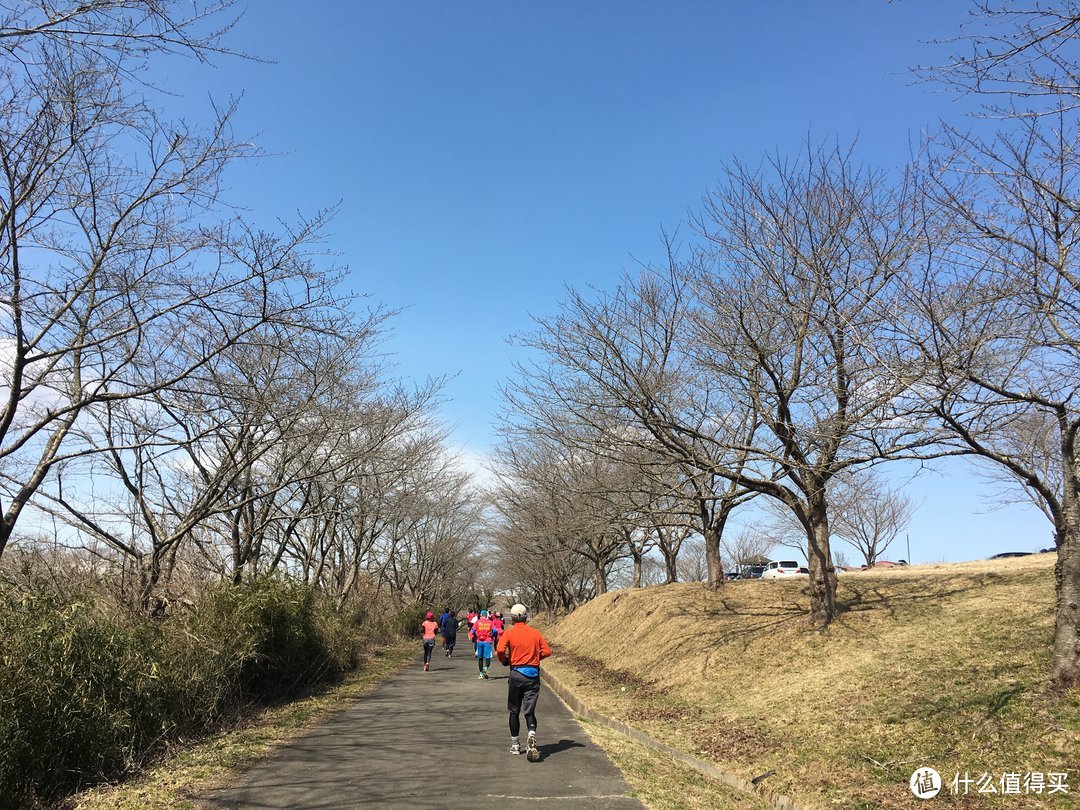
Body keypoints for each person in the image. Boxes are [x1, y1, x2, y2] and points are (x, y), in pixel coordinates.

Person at [496, 603, 551, 760]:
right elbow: (547, 651)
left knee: (514, 710)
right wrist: (535, 658)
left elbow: (500, 650)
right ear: (526, 617)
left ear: (512, 618)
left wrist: (505, 661)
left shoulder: (509, 633)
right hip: (533, 675)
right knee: (529, 710)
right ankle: (531, 734)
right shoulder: (535, 633)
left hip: (516, 674)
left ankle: (515, 745)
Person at [472, 609, 495, 679]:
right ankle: (486, 668)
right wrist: (492, 635)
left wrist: (476, 636)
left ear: (481, 615)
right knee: (488, 657)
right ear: (486, 615)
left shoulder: (477, 622)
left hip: (479, 641)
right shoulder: (490, 622)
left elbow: (473, 631)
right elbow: (495, 630)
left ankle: (481, 674)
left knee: (480, 658)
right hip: (487, 641)